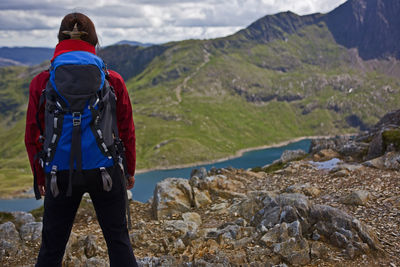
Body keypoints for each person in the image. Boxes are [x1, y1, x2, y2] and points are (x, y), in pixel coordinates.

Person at [25, 12, 138, 266]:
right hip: (105, 172)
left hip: (59, 172)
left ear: (59, 39)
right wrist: (128, 169)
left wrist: (40, 175)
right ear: (94, 40)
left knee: (52, 246)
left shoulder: (41, 82)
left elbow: (32, 134)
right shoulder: (112, 80)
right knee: (118, 241)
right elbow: (126, 130)